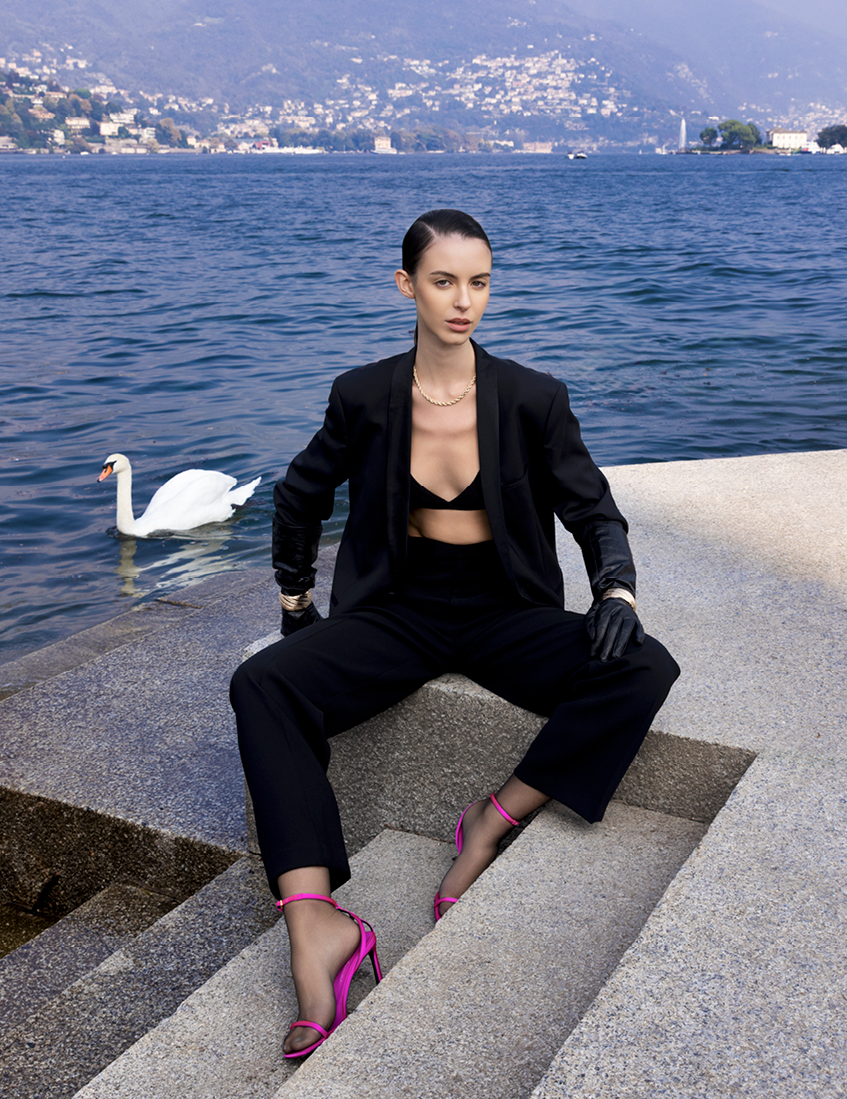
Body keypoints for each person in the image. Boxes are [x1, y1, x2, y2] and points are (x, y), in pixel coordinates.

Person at [230, 209, 680, 1060]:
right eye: (443, 282)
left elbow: (591, 508)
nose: (463, 300)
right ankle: (316, 923)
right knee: (262, 682)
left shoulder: (533, 397)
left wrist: (615, 590)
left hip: (505, 610)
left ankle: (492, 817)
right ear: (407, 285)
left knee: (643, 666)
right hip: (395, 611)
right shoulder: (363, 394)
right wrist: (296, 604)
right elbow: (299, 494)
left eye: (479, 282)